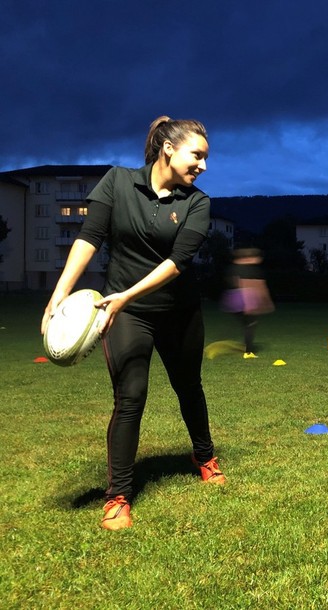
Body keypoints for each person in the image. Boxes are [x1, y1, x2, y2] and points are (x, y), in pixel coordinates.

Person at [41, 116, 226, 530]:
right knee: (131, 396)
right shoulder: (117, 182)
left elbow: (177, 263)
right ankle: (118, 496)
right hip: (124, 314)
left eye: (205, 158)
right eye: (197, 155)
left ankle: (204, 455)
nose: (204, 166)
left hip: (177, 311)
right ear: (168, 149)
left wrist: (126, 294)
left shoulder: (197, 203)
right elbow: (89, 238)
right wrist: (59, 293)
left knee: (188, 387)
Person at [222, 247, 275, 359]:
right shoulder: (252, 269)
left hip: (232, 299)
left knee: (246, 324)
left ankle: (244, 346)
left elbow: (234, 283)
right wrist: (251, 303)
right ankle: (248, 352)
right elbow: (254, 285)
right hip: (245, 298)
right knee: (250, 324)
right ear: (250, 258)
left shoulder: (233, 268)